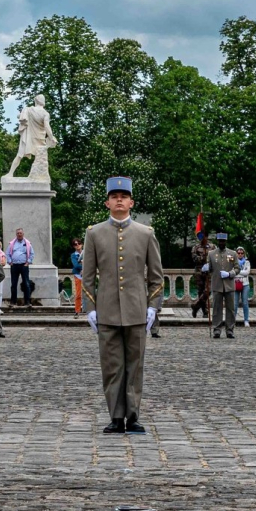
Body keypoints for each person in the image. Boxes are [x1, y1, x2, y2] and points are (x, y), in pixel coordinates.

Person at [83, 176, 163, 434]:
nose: (119, 200)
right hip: (106, 310)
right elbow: (87, 276)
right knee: (112, 366)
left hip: (137, 310)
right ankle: (116, 416)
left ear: (132, 202)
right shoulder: (94, 233)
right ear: (107, 202)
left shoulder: (145, 233)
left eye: (123, 196)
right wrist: (90, 308)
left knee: (135, 366)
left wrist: (152, 306)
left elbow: (156, 277)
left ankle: (133, 415)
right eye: (114, 196)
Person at [5, 94, 58, 178]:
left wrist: (24, 113)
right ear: (43, 102)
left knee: (19, 155)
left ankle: (10, 173)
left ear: (36, 101)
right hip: (39, 138)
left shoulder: (28, 110)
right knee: (40, 157)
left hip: (28, 137)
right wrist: (51, 137)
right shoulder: (45, 114)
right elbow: (47, 126)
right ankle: (39, 176)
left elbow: (19, 117)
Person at [203, 233, 240, 338]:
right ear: (217, 242)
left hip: (229, 284)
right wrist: (206, 268)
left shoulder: (232, 253)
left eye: (223, 241)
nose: (221, 243)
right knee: (217, 308)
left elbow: (237, 268)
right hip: (217, 284)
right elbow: (209, 268)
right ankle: (217, 329)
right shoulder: (211, 254)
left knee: (230, 309)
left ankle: (230, 330)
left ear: (226, 242)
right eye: (220, 241)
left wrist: (230, 274)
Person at [6, 228, 34, 308]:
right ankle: (13, 301)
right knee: (13, 284)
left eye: (20, 233)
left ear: (23, 234)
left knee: (26, 283)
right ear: (16, 234)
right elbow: (7, 253)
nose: (19, 234)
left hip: (24, 265)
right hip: (14, 265)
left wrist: (28, 262)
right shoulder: (12, 244)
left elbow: (32, 253)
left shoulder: (27, 243)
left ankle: (27, 302)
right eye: (18, 233)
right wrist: (10, 262)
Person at [190, 235, 215, 318]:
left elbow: (216, 257)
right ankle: (205, 312)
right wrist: (203, 257)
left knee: (208, 290)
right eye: (201, 237)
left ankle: (196, 306)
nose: (203, 239)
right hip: (199, 271)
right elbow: (194, 258)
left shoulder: (212, 247)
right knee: (200, 291)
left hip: (209, 272)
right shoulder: (196, 247)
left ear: (207, 237)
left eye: (205, 237)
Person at [233, 247, 251, 328]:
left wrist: (238, 271)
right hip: (235, 283)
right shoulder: (233, 262)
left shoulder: (247, 262)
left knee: (245, 303)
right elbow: (233, 272)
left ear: (244, 254)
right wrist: (240, 272)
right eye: (238, 253)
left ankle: (246, 320)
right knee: (235, 304)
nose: (240, 254)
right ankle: (233, 320)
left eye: (241, 253)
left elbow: (247, 272)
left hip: (245, 283)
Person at [71, 238, 83, 318]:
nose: (77, 245)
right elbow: (76, 265)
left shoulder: (87, 252)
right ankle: (77, 311)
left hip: (87, 275)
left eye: (78, 243)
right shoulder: (73, 255)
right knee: (78, 294)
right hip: (78, 275)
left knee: (91, 293)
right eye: (75, 244)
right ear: (74, 246)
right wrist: (82, 267)